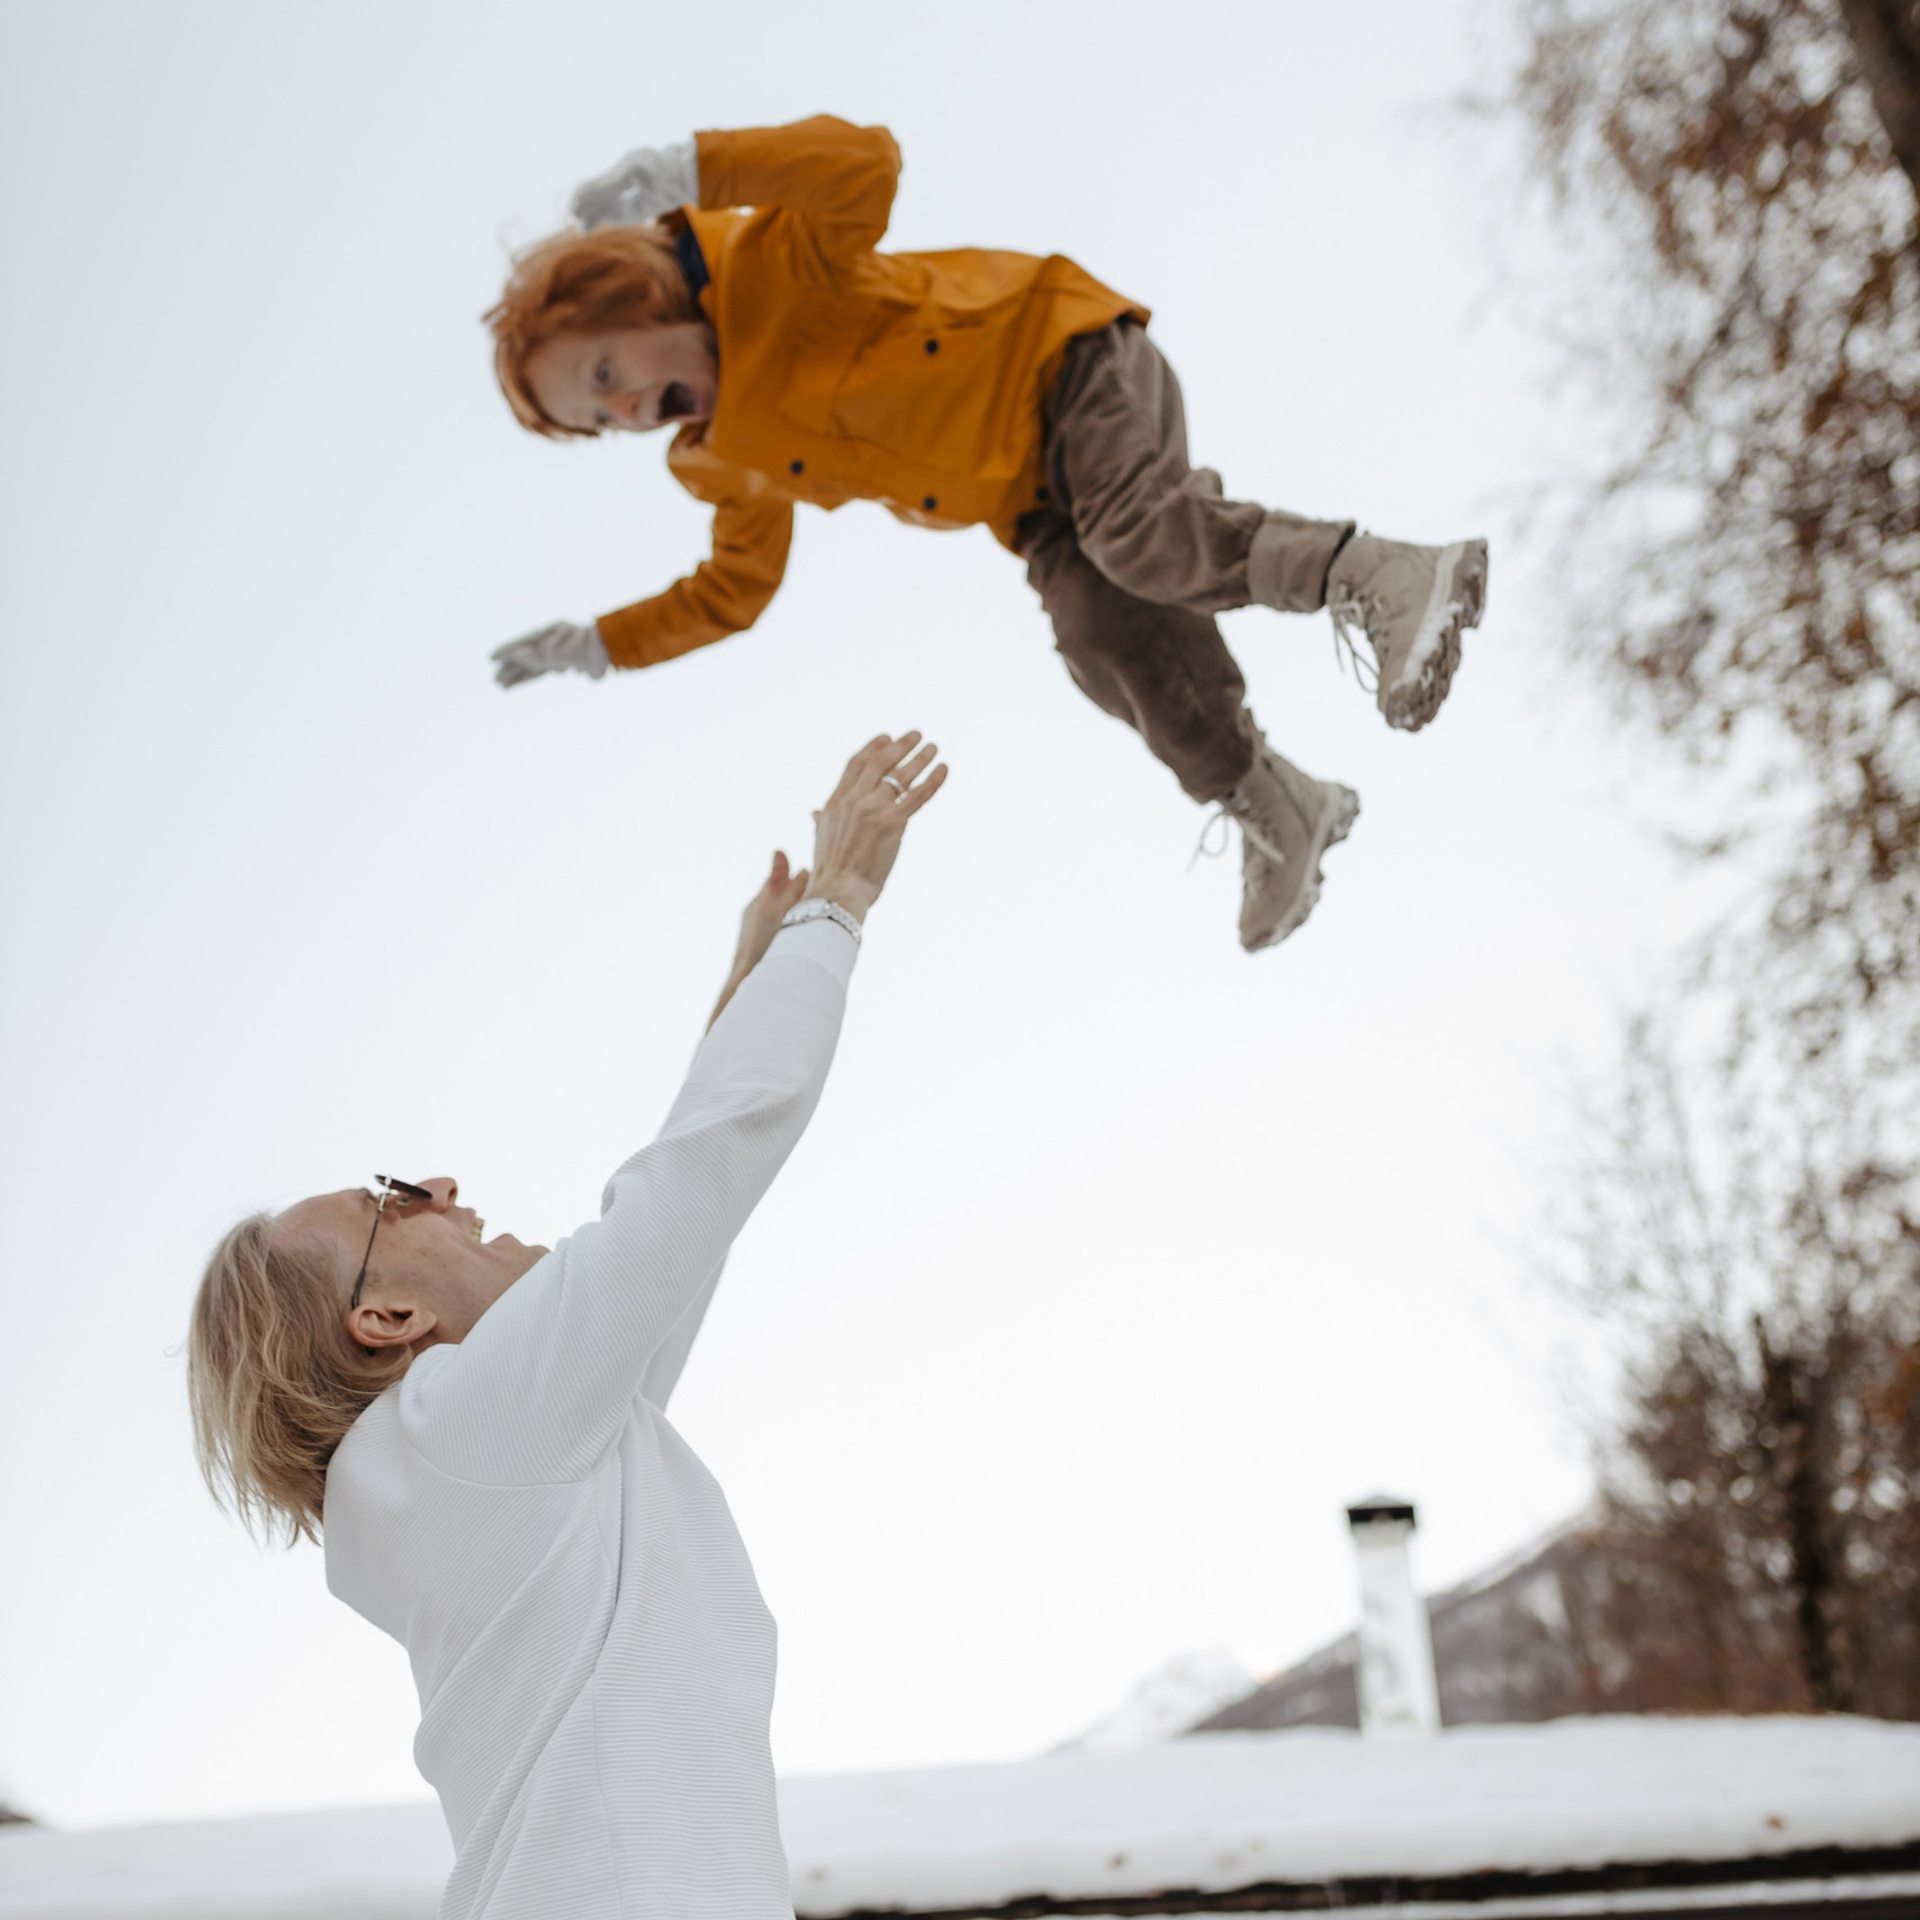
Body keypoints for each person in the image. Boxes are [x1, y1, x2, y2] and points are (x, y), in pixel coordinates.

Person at [186, 732, 946, 1920]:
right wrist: (836, 903)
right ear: (387, 1317)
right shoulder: (458, 1432)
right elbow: (695, 1180)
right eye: (394, 1198)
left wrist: (739, 1000)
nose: (440, 1185)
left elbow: (670, 1253)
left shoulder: (493, 1461)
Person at [484, 115, 1488, 953]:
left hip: (1061, 359)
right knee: (1103, 638)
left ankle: (1383, 576)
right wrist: (603, 645)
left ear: (632, 291)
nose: (627, 415)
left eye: (605, 376)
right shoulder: (717, 454)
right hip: (1032, 504)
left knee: (1141, 536)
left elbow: (864, 166)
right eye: (600, 422)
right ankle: (1278, 804)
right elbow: (733, 588)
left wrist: (694, 170)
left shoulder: (768, 266)